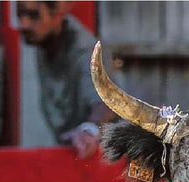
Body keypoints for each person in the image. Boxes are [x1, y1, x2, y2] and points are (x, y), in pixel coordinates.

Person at [16, 1, 116, 158]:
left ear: (57, 14)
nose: (24, 24)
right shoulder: (44, 40)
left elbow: (107, 103)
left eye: (33, 15)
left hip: (100, 156)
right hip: (73, 150)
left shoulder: (84, 50)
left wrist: (89, 130)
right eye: (20, 15)